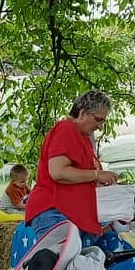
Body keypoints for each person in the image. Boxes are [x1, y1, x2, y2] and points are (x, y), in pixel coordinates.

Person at [24, 91, 119, 246]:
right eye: (98, 120)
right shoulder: (67, 129)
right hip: (56, 211)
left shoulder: (82, 137)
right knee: (59, 266)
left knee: (69, 267)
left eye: (103, 122)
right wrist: (96, 175)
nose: (100, 126)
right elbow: (58, 172)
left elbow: (78, 176)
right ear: (82, 112)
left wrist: (97, 182)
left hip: (65, 213)